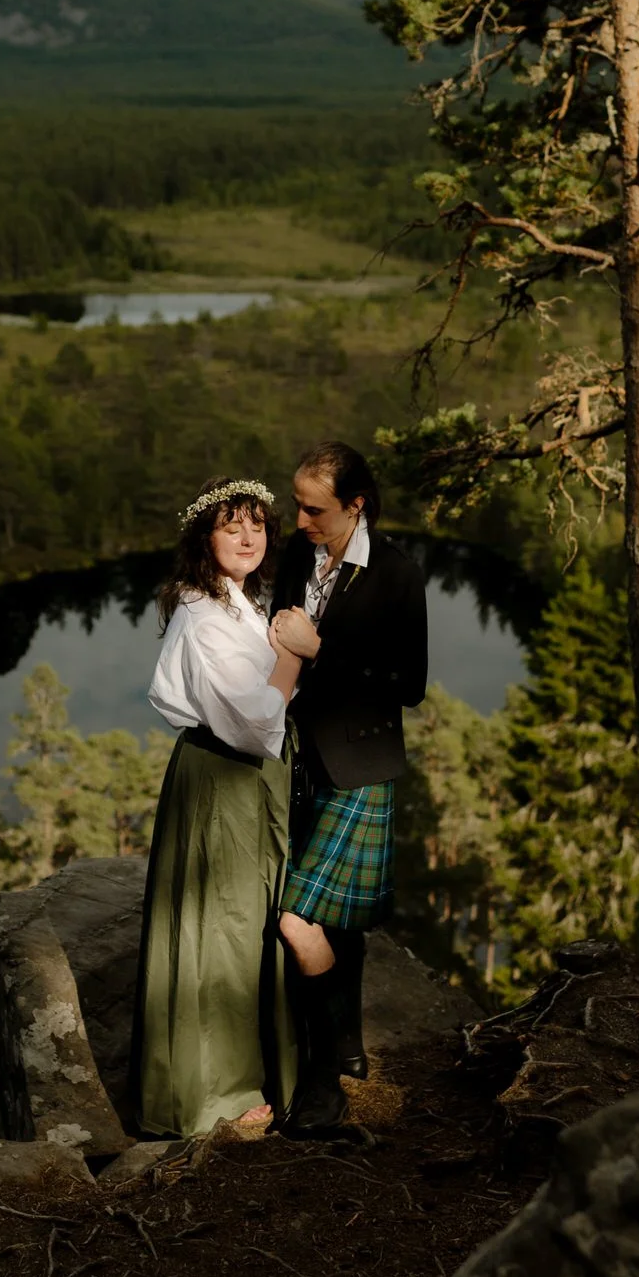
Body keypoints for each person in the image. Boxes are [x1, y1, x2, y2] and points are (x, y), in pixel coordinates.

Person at [129, 476, 305, 1139]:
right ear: (203, 539)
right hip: (226, 775)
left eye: (256, 524)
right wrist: (293, 656)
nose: (246, 536)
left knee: (252, 920)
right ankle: (214, 1096)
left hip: (248, 778)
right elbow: (253, 721)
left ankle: (258, 1072)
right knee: (225, 930)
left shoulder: (242, 604)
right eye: (230, 525)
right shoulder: (203, 617)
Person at [270, 442, 428, 1133]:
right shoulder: (294, 555)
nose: (299, 518)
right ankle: (350, 1050)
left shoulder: (395, 573)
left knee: (296, 919)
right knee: (337, 927)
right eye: (297, 503)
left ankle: (320, 1085)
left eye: (314, 508)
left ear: (354, 504)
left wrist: (321, 653)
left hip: (359, 767)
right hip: (295, 761)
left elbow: (409, 686)